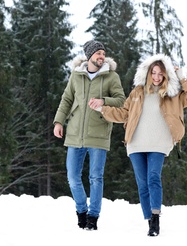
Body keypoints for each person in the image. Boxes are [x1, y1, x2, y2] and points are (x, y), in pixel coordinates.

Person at [89, 54, 187, 236]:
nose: (156, 77)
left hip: (159, 142)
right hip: (136, 143)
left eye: (160, 74)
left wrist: (181, 77)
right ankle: (149, 220)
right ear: (148, 73)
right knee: (142, 184)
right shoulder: (137, 93)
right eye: (153, 73)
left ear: (166, 75)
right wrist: (102, 108)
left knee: (153, 178)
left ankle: (156, 219)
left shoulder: (174, 94)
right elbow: (123, 114)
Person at [53, 40, 125, 230]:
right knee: (73, 176)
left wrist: (103, 101)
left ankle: (93, 217)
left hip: (99, 134)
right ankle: (81, 211)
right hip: (75, 134)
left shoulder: (111, 77)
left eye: (103, 53)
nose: (101, 56)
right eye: (98, 53)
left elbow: (121, 101)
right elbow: (67, 99)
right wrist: (59, 122)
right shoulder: (76, 76)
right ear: (89, 56)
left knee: (96, 177)